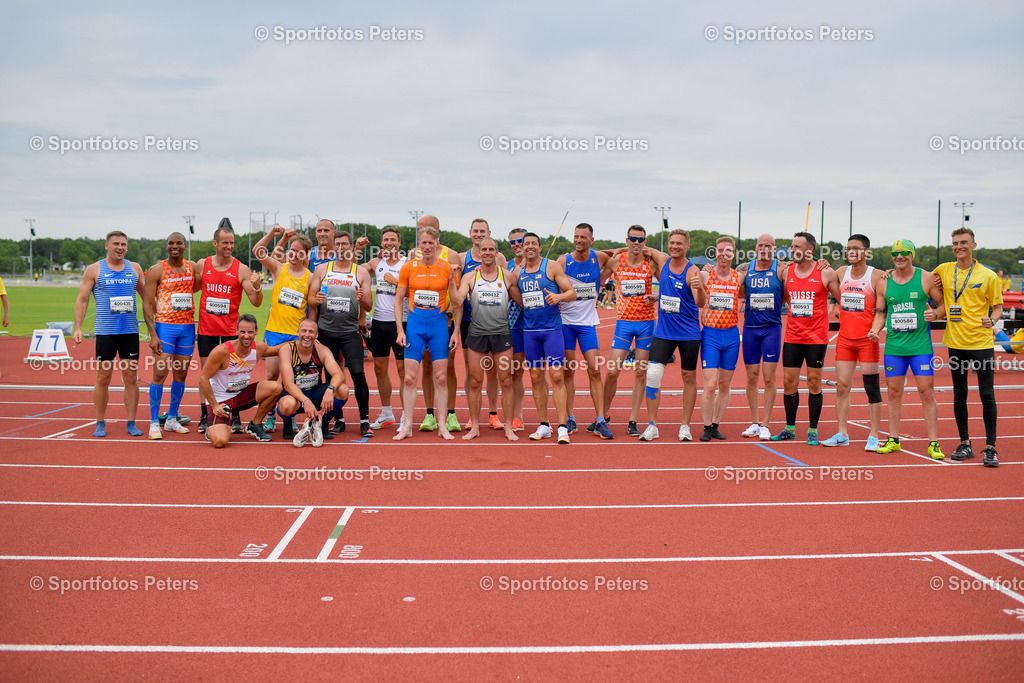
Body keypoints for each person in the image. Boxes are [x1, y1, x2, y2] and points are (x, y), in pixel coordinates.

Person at [868, 240, 945, 459]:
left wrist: (936, 315)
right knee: (893, 393)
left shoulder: (927, 277)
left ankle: (933, 442)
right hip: (894, 347)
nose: (899, 257)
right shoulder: (884, 282)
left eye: (903, 253)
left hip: (920, 346)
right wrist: (875, 330)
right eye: (895, 254)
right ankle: (893, 439)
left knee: (927, 392)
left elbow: (943, 305)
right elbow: (881, 312)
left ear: (912, 254)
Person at [933, 227, 1003, 466]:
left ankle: (991, 447)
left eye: (963, 242)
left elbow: (998, 308)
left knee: (987, 395)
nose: (959, 246)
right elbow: (918, 277)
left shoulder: (988, 276)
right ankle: (965, 443)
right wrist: (890, 272)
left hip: (981, 343)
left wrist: (992, 320)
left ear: (974, 245)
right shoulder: (944, 270)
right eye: (955, 243)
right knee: (959, 394)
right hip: (955, 343)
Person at [73, 231, 152, 437]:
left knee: (130, 377)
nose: (120, 247)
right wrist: (78, 327)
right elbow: (82, 299)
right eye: (116, 243)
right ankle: (100, 422)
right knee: (103, 377)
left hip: (130, 332)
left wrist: (157, 321)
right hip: (106, 333)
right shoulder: (94, 269)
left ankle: (131, 422)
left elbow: (146, 298)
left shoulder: (134, 268)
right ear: (106, 246)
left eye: (123, 244)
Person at [393, 226, 462, 441]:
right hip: (414, 327)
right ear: (419, 245)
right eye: (423, 243)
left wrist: (456, 331)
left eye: (431, 243)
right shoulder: (409, 267)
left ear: (437, 245)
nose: (427, 246)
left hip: (439, 327)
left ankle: (442, 425)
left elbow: (458, 303)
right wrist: (399, 330)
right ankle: (407, 427)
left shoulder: (446, 268)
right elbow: (398, 300)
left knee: (441, 378)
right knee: (410, 378)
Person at [772, 232, 840, 445]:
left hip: (816, 338)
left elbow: (843, 299)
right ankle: (789, 428)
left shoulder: (826, 273)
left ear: (809, 249)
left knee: (813, 382)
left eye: (797, 246)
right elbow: (781, 295)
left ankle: (812, 430)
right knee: (789, 382)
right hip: (792, 336)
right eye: (792, 246)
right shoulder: (787, 271)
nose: (793, 250)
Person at [194, 224, 264, 433]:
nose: (229, 246)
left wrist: (258, 287)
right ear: (215, 243)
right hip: (206, 329)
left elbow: (256, 301)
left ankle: (234, 415)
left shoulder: (241, 269)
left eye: (232, 243)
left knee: (234, 374)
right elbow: (193, 287)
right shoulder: (202, 264)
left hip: (230, 331)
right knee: (207, 372)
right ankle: (206, 414)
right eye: (225, 242)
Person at [637, 230, 706, 441]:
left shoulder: (692, 271)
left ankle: (685, 425)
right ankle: (652, 425)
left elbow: (700, 303)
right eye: (672, 242)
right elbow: (641, 248)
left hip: (688, 333)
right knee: (653, 375)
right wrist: (612, 252)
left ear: (687, 246)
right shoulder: (663, 259)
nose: (675, 246)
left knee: (688, 377)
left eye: (679, 243)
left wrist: (700, 288)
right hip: (664, 332)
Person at [308, 231, 374, 438]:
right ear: (333, 247)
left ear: (351, 247)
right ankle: (339, 419)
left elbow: (369, 304)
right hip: (326, 331)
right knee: (330, 377)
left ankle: (365, 421)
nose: (341, 248)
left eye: (345, 244)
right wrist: (315, 299)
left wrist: (362, 299)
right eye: (338, 244)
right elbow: (310, 299)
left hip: (349, 331)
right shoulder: (321, 269)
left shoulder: (360, 272)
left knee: (357, 373)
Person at [512, 232, 577, 443]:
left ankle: (562, 427)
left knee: (557, 377)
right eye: (526, 244)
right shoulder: (518, 271)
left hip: (551, 331)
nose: (529, 246)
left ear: (539, 248)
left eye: (533, 243)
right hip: (530, 332)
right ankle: (543, 425)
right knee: (535, 378)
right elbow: (506, 284)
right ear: (522, 248)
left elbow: (571, 292)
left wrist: (558, 296)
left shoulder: (551, 267)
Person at [455, 237, 521, 441]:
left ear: (496, 252)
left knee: (506, 381)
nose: (487, 252)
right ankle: (474, 426)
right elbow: (457, 301)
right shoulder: (469, 277)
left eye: (491, 249)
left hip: (501, 333)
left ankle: (509, 426)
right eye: (484, 249)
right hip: (477, 334)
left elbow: (522, 302)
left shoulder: (508, 276)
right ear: (480, 251)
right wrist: (451, 279)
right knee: (475, 382)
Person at [822, 234, 884, 449]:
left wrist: (876, 329)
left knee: (871, 388)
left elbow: (882, 310)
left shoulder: (877, 276)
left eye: (856, 248)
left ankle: (874, 435)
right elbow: (823, 279)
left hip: (867, 340)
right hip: (846, 340)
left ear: (867, 252)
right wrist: (822, 264)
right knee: (842, 387)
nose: (851, 252)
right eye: (848, 248)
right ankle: (842, 433)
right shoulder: (840, 273)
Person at [252, 226, 313, 433]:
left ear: (306, 254)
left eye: (300, 251)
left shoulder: (310, 278)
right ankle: (268, 415)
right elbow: (258, 251)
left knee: (292, 380)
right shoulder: (280, 268)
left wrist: (311, 335)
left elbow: (311, 308)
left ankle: (290, 416)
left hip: (296, 336)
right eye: (292, 250)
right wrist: (273, 235)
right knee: (271, 376)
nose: (295, 254)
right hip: (275, 332)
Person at [599, 225, 658, 437]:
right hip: (623, 323)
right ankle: (603, 415)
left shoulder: (651, 263)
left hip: (646, 323)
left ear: (645, 241)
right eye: (633, 238)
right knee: (612, 371)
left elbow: (670, 278)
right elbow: (598, 279)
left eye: (640, 239)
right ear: (627, 240)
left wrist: (658, 297)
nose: (636, 242)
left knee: (640, 373)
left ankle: (633, 419)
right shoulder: (616, 261)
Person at [557, 223, 612, 438]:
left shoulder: (598, 257)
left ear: (591, 240)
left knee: (595, 371)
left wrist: (640, 248)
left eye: (583, 237)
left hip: (588, 324)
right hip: (566, 323)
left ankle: (600, 420)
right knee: (568, 371)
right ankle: (569, 417)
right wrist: (558, 299)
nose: (579, 240)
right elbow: (551, 280)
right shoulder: (564, 261)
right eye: (576, 236)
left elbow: (616, 254)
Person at [142, 232, 199, 439]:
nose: (174, 246)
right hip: (165, 327)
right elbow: (147, 304)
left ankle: (172, 418)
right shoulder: (157, 270)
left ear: (185, 246)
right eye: (170, 243)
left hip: (187, 327)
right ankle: (154, 422)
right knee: (159, 373)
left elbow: (198, 287)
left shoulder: (191, 267)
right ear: (167, 246)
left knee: (181, 374)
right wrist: (152, 335)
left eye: (178, 243)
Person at [198, 314, 282, 447]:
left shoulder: (258, 348)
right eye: (242, 332)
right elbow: (203, 378)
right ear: (236, 331)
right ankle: (214, 427)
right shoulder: (222, 351)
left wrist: (302, 341)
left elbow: (279, 349)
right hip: (221, 401)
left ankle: (255, 424)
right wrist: (214, 405)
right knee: (220, 442)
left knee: (276, 388)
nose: (246, 336)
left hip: (241, 396)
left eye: (250, 332)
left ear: (256, 331)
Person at [457, 219, 508, 431]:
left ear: (489, 233)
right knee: (472, 371)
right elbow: (458, 293)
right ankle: (473, 415)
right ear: (470, 233)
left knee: (494, 370)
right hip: (471, 321)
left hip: (495, 322)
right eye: (475, 231)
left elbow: (506, 284)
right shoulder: (461, 258)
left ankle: (494, 414)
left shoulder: (500, 257)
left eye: (482, 231)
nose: (478, 234)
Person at [414, 215, 464, 433]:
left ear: (435, 230)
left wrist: (450, 316)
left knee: (448, 367)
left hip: (443, 320)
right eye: (418, 230)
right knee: (426, 366)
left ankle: (451, 413)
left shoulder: (451, 255)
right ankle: (429, 414)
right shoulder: (413, 255)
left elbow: (457, 291)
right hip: (421, 318)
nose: (421, 234)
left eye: (424, 229)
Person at [356, 227, 408, 430]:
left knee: (404, 371)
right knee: (379, 369)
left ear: (399, 243)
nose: (389, 243)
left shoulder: (408, 264)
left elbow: (416, 291)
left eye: (392, 239)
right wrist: (357, 250)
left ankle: (406, 414)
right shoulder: (377, 263)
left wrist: (396, 283)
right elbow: (350, 270)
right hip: (379, 322)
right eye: (385, 239)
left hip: (402, 322)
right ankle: (387, 412)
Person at [737, 234, 786, 441]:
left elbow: (788, 292)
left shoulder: (782, 268)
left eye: (768, 245)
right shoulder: (744, 269)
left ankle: (766, 424)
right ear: (755, 247)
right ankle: (755, 422)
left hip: (771, 329)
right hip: (750, 328)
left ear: (774, 249)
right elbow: (735, 289)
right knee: (751, 377)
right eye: (761, 245)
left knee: (769, 378)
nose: (764, 248)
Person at [276, 319, 349, 447]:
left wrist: (330, 389)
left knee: (342, 390)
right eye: (304, 331)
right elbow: (288, 383)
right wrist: (305, 401)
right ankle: (288, 421)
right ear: (298, 332)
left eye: (311, 332)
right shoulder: (287, 350)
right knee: (287, 405)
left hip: (315, 392)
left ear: (317, 335)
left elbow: (339, 374)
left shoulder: (322, 350)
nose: (307, 335)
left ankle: (322, 421)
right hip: (294, 395)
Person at [698, 236, 740, 441]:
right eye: (720, 250)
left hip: (732, 335)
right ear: (715, 252)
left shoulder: (739, 277)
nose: (723, 254)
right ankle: (706, 426)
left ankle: (715, 424)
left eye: (728, 251)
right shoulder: (706, 275)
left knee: (725, 384)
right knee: (711, 384)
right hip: (711, 334)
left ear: (734, 254)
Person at [506, 228, 531, 432]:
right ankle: (516, 415)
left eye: (520, 240)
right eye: (513, 242)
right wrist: (517, 271)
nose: (517, 244)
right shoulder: (506, 267)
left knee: (538, 371)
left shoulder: (540, 265)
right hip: (513, 323)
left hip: (536, 324)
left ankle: (542, 417)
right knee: (514, 372)